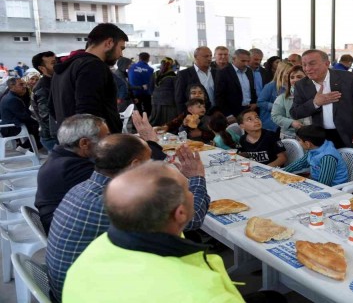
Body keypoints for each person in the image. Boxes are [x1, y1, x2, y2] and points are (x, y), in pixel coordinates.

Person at [47, 137, 209, 302]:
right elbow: (192, 219)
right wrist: (196, 178)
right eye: (150, 160)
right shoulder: (122, 200)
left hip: (74, 286)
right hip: (92, 293)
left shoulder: (82, 188)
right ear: (135, 165)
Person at [62, 161, 245, 303]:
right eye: (188, 189)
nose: (191, 193)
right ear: (180, 213)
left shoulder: (96, 248)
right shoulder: (201, 294)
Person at [35, 115, 110, 235]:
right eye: (105, 138)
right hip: (65, 230)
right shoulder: (73, 168)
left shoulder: (61, 157)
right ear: (84, 143)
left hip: (57, 223)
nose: (109, 143)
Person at [50, 23, 127, 135]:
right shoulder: (93, 66)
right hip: (94, 145)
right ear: (109, 43)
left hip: (71, 141)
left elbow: (52, 108)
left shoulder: (64, 68)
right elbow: (88, 113)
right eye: (121, 48)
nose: (121, 54)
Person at [290, 49, 353, 150]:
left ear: (327, 63)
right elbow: (295, 112)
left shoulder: (349, 79)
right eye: (304, 65)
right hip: (321, 140)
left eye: (312, 64)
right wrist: (315, 103)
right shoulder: (302, 85)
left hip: (352, 136)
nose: (307, 68)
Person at [282, 126, 348, 187]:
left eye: (299, 140)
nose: (298, 142)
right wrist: (283, 171)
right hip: (317, 182)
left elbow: (324, 183)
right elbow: (301, 163)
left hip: (334, 188)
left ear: (308, 144)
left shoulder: (328, 157)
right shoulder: (314, 148)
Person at [0, 78, 42, 151]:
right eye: (21, 84)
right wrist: (39, 122)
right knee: (42, 128)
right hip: (12, 128)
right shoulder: (12, 99)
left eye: (24, 84)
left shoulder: (12, 96)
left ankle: (26, 147)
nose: (24, 86)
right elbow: (24, 116)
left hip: (13, 125)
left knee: (39, 126)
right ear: (12, 86)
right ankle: (28, 148)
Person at [215, 49, 258, 118]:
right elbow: (219, 97)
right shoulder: (223, 73)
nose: (246, 64)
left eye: (248, 61)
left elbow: (252, 90)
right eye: (243, 61)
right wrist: (228, 115)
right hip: (233, 113)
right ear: (234, 59)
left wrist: (254, 103)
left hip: (249, 109)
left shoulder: (249, 71)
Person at [175, 46, 216, 113]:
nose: (209, 59)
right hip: (195, 116)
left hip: (215, 114)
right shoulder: (184, 75)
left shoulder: (216, 73)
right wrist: (185, 117)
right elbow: (179, 100)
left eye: (210, 56)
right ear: (196, 57)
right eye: (206, 56)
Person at [31, 51, 58, 151]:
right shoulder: (42, 87)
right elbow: (46, 116)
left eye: (57, 61)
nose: (57, 64)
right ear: (42, 68)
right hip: (52, 137)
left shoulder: (54, 81)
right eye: (53, 63)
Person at [272, 65, 306, 139]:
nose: (295, 80)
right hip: (290, 136)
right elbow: (275, 116)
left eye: (299, 77)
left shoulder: (316, 95)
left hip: (314, 137)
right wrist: (291, 122)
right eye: (292, 77)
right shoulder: (282, 98)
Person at [257, 61, 291, 132]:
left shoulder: (294, 86)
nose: (290, 75)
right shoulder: (270, 86)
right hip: (271, 125)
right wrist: (276, 107)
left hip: (286, 125)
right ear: (281, 73)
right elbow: (260, 102)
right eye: (288, 72)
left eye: (292, 72)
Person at [149, 57, 178, 126]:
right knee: (167, 121)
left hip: (156, 100)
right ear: (171, 65)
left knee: (155, 120)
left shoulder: (155, 74)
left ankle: (154, 131)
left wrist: (153, 95)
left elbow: (150, 87)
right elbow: (176, 90)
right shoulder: (174, 76)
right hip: (168, 102)